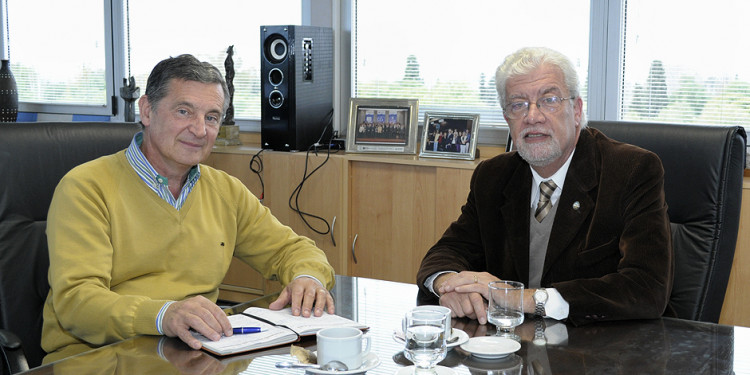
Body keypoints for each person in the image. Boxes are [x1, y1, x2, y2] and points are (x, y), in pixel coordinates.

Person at [42, 54, 336, 360]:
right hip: (97, 358)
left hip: (194, 354)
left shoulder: (225, 190)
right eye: (184, 112)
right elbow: (77, 303)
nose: (200, 130)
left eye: (211, 117)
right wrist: (164, 314)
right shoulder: (86, 188)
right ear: (147, 110)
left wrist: (308, 278)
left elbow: (292, 250)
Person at [416, 47, 674, 326]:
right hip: (511, 352)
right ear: (507, 119)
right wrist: (450, 285)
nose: (532, 116)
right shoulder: (493, 176)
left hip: (601, 351)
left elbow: (647, 287)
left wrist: (520, 298)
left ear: (576, 110)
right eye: (518, 104)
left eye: (548, 100)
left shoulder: (632, 171)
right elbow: (447, 251)